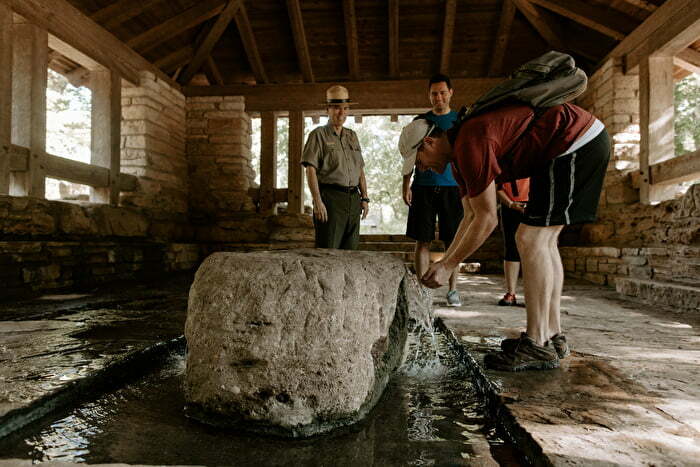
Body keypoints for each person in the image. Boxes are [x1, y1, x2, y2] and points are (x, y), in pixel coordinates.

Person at [399, 102, 610, 371]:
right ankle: (553, 335)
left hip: (575, 141)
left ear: (428, 142)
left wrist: (449, 264)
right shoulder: (459, 157)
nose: (423, 169)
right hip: (569, 145)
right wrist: (444, 262)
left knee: (530, 238)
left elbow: (488, 219)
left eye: (419, 162)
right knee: (543, 240)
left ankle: (538, 342)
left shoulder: (469, 142)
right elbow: (471, 216)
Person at [401, 74, 465, 307]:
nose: (438, 97)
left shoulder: (460, 121)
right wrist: (405, 184)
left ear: (451, 93)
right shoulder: (421, 122)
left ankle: (453, 290)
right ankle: (421, 291)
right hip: (423, 187)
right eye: (434, 93)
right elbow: (411, 154)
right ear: (429, 96)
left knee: (453, 241)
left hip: (452, 188)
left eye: (442, 92)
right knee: (422, 239)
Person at [302, 85, 370, 250]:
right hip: (330, 199)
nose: (342, 113)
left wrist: (365, 198)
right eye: (337, 108)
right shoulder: (318, 135)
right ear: (328, 109)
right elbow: (310, 169)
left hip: (354, 200)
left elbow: (359, 169)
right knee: (328, 253)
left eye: (345, 108)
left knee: (351, 252)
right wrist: (318, 201)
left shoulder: (352, 136)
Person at [496, 178, 529, 306]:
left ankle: (534, 295)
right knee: (511, 247)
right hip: (510, 206)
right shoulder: (505, 161)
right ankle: (511, 293)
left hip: (534, 205)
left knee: (535, 250)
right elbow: (498, 187)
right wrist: (510, 204)